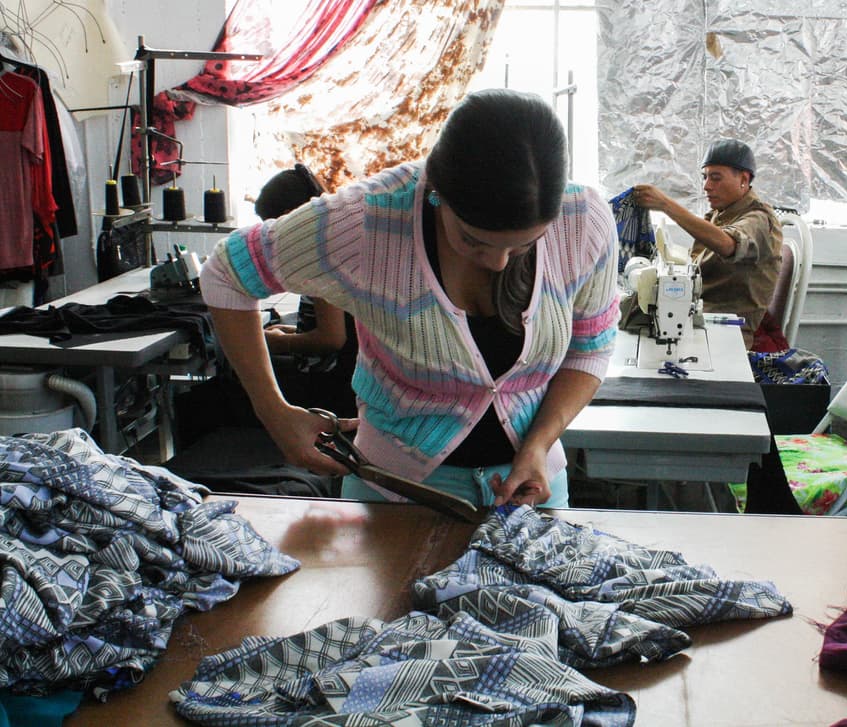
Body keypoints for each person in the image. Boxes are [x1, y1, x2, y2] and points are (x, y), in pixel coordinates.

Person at [200, 89, 620, 508]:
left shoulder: (583, 221)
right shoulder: (367, 221)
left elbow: (589, 349)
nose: (497, 263)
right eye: (474, 241)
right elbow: (225, 274)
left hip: (531, 489)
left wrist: (538, 446)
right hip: (394, 495)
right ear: (438, 192)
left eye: (524, 246)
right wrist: (274, 413)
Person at [631, 139, 783, 348]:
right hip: (700, 320)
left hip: (728, 333)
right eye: (705, 177)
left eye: (716, 178)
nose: (707, 186)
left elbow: (729, 244)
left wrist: (666, 205)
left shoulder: (758, 219)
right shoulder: (719, 216)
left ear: (744, 179)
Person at [254, 164, 359, 419]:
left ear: (289, 216)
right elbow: (336, 324)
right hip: (350, 375)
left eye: (270, 226)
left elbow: (332, 338)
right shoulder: (336, 242)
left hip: (333, 388)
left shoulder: (319, 259)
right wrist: (289, 331)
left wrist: (279, 342)